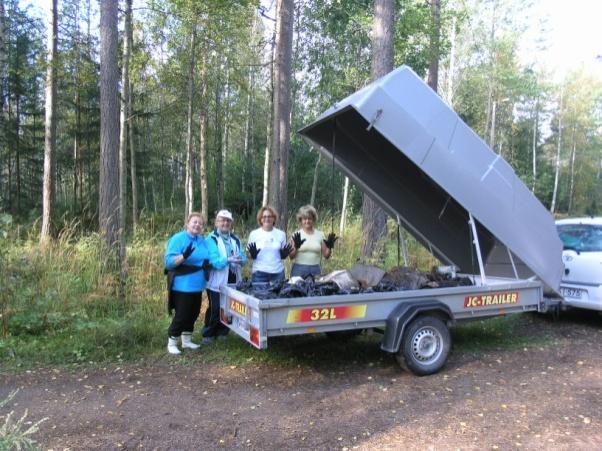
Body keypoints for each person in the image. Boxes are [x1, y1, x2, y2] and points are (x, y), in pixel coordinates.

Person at [164, 212, 227, 355]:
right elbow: (168, 263)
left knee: (193, 313)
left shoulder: (202, 240)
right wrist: (183, 257)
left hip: (198, 285)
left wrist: (220, 262)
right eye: (195, 222)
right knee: (182, 314)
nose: (197, 225)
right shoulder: (178, 239)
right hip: (182, 285)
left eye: (200, 223)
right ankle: (172, 341)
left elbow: (208, 258)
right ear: (187, 223)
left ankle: (186, 341)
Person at [203, 209, 247, 343]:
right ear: (216, 222)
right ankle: (208, 333)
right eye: (222, 220)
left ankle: (223, 331)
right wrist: (227, 260)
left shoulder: (235, 239)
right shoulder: (211, 239)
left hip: (233, 279)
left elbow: (243, 257)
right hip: (217, 280)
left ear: (231, 223)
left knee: (229, 308)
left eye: (228, 220)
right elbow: (213, 261)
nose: (225, 223)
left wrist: (240, 260)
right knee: (215, 308)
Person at [288, 205, 337, 278]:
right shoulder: (296, 234)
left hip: (315, 269)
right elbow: (291, 257)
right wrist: (296, 246)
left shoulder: (320, 234)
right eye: (304, 219)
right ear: (300, 220)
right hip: (298, 269)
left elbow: (326, 255)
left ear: (313, 219)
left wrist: (330, 247)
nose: (307, 221)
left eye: (309, 218)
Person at [246, 205, 292, 284]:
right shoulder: (254, 234)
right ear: (260, 219)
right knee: (258, 296)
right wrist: (252, 255)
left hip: (277, 273)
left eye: (269, 216)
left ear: (274, 218)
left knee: (278, 296)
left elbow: (283, 254)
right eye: (264, 216)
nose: (267, 218)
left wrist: (284, 255)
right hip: (259, 273)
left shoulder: (281, 234)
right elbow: (248, 254)